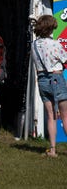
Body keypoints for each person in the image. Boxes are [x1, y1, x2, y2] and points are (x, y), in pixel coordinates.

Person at [31, 14, 67, 158]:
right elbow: (64, 58)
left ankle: (52, 150)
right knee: (65, 115)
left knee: (51, 116)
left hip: (42, 79)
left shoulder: (34, 45)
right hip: (56, 77)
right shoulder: (55, 44)